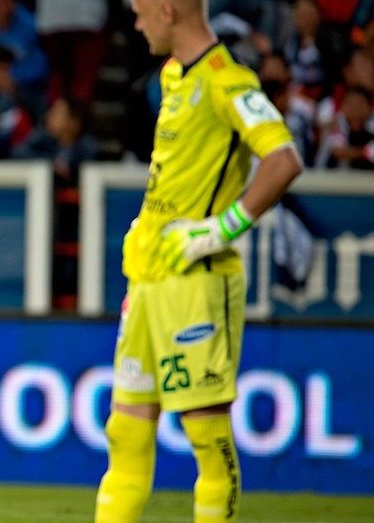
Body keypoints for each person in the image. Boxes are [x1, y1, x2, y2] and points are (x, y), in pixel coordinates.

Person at [94, 1, 303, 523]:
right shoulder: (171, 75)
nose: (137, 24)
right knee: (125, 431)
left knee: (206, 438)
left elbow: (283, 161)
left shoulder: (227, 81)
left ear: (167, 10)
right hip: (149, 276)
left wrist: (220, 229)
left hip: (198, 280)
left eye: (141, 12)